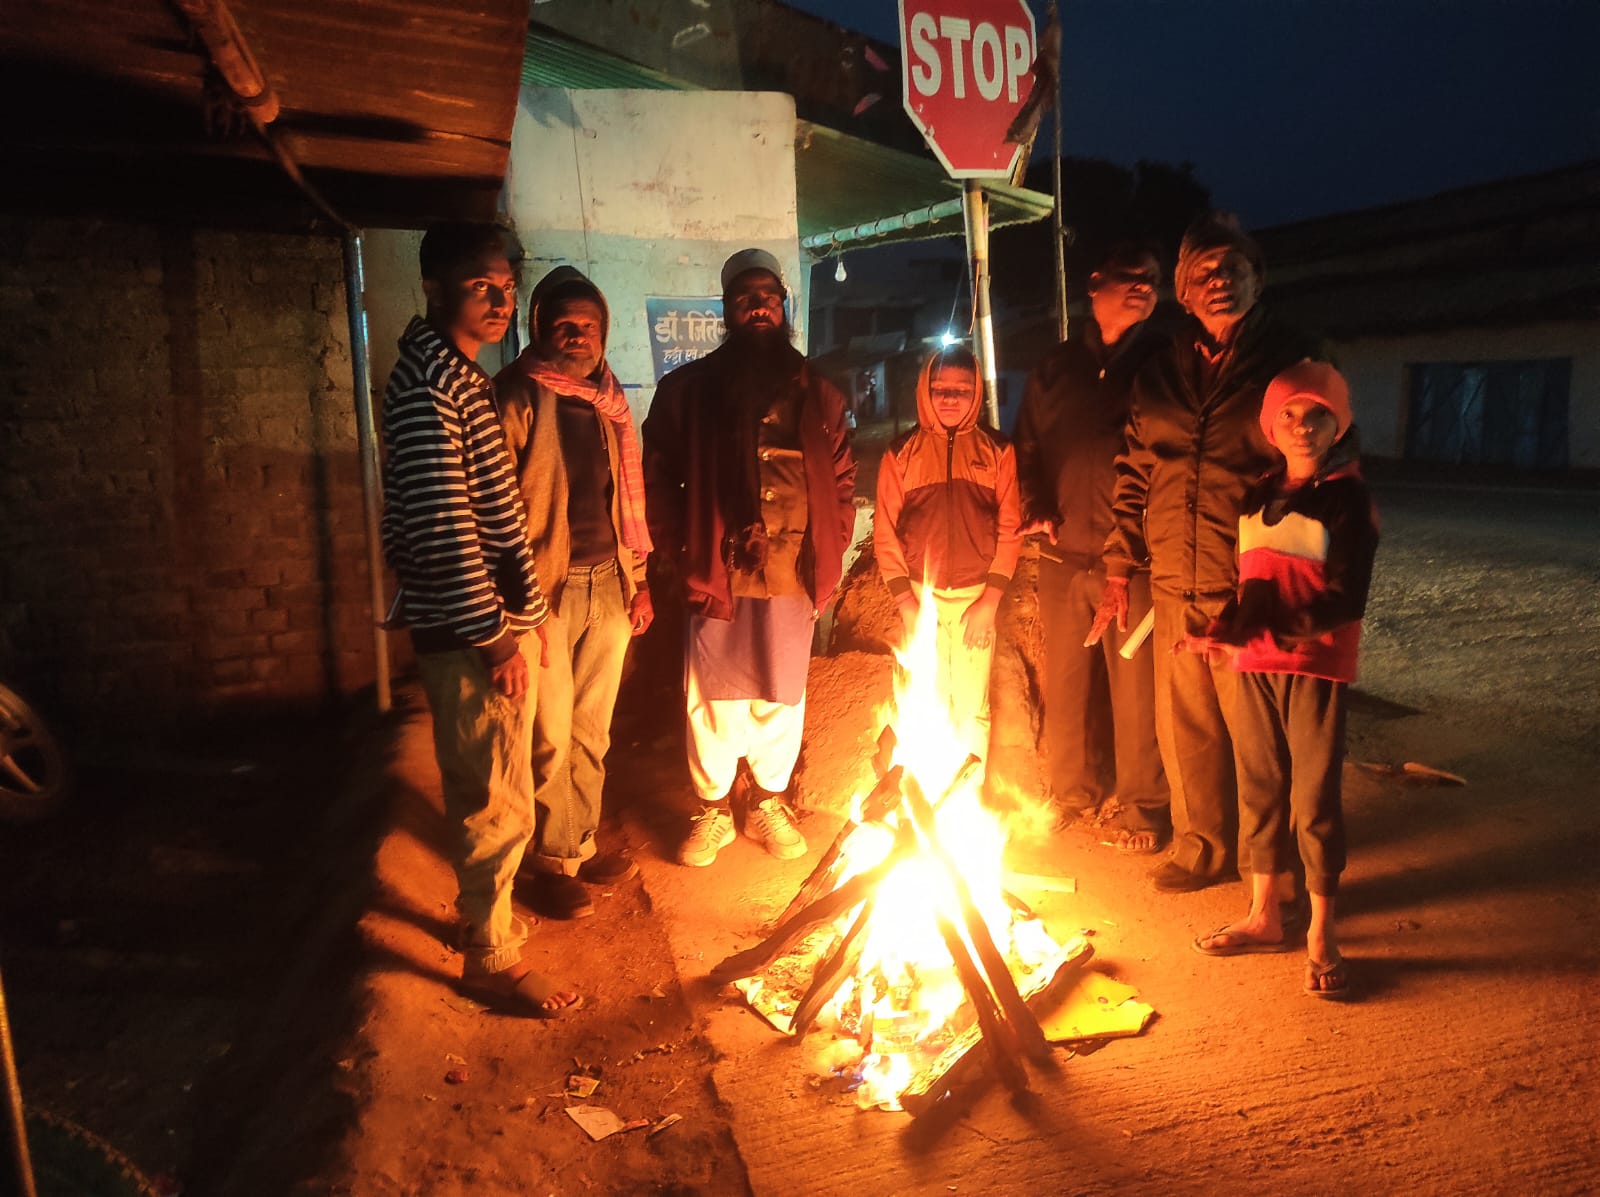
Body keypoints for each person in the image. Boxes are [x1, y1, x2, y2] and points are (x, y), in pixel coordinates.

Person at [1089, 212, 1324, 894]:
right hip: (1174, 578)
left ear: (1258, 278)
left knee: (1259, 735)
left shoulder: (1293, 362)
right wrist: (1118, 566)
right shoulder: (1161, 373)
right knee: (1186, 727)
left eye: (1233, 267)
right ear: (1184, 294)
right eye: (1203, 272)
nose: (1219, 280)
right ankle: (1202, 846)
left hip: (1252, 579)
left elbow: (1326, 467)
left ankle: (1267, 866)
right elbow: (1134, 472)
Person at [379, 223, 578, 1017]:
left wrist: (522, 615)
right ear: (435, 288)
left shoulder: (453, 375)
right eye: (479, 287)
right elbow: (443, 527)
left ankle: (484, 922)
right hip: (471, 630)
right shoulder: (431, 386)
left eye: (506, 287)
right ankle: (490, 957)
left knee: (497, 787)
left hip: (484, 620)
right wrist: (498, 637)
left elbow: (487, 513)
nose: (499, 302)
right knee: (495, 797)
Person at [642, 248, 856, 868]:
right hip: (717, 567)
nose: (758, 307)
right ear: (727, 310)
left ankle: (765, 801)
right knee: (712, 695)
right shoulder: (688, 391)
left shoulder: (820, 392)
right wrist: (679, 547)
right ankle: (711, 807)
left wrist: (832, 547)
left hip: (794, 568)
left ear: (783, 308)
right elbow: (654, 476)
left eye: (768, 298)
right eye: (745, 299)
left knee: (781, 693)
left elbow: (842, 479)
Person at [1184, 361, 1379, 999]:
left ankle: (1322, 932)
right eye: (1288, 414)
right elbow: (1252, 590)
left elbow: (1346, 599)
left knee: (1314, 798)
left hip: (1313, 666)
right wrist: (1222, 630)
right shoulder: (1256, 495)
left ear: (1337, 423)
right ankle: (1264, 914)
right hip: (1253, 667)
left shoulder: (1348, 498)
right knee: (1259, 789)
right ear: (1271, 425)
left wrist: (1272, 632)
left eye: (1317, 414)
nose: (1302, 426)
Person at [494, 267, 652, 921]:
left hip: (608, 584)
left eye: (589, 324)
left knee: (592, 730)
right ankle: (545, 861)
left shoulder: (608, 402)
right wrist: (512, 607)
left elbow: (624, 503)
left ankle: (575, 846)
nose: (578, 334)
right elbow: (492, 511)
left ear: (604, 332)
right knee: (549, 732)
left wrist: (639, 583)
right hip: (545, 592)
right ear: (539, 328)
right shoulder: (516, 396)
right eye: (564, 323)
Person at [1014, 244, 1169, 852]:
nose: (1143, 286)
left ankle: (1144, 808)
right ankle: (1071, 792)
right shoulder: (1056, 368)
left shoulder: (1162, 365)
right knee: (1066, 684)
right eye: (1130, 276)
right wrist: (1034, 504)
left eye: (1152, 279)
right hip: (1062, 555)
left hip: (1133, 560)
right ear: (1095, 284)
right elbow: (1027, 447)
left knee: (1136, 691)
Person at [874, 346, 1020, 757]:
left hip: (976, 599)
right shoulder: (900, 454)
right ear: (925, 390)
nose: (951, 398)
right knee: (925, 701)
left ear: (976, 393)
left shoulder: (998, 451)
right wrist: (906, 604)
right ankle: (927, 787)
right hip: (921, 600)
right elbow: (884, 534)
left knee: (972, 708)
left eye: (962, 389)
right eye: (940, 389)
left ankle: (968, 791)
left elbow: (1010, 530)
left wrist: (990, 601)